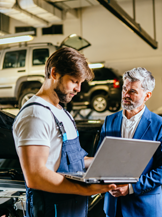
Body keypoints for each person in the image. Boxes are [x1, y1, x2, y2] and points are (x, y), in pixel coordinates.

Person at [12, 47, 120, 217]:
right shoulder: (35, 115)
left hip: (73, 208)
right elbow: (36, 176)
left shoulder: (64, 114)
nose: (78, 89)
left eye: (81, 83)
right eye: (74, 81)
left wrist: (109, 162)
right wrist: (85, 190)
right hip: (51, 209)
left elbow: (76, 161)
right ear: (54, 73)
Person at [97, 67, 162, 217]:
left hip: (144, 208)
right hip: (113, 207)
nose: (125, 95)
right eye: (124, 89)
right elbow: (101, 159)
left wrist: (131, 187)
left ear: (147, 95)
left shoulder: (159, 125)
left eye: (132, 91)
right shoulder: (110, 121)